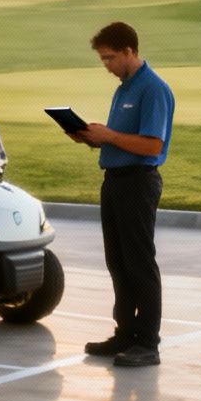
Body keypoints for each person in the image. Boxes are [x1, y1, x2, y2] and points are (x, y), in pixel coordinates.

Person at [69, 22, 174, 368]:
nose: (107, 66)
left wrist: (109, 136)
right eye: (103, 60)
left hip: (138, 183)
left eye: (110, 58)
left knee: (140, 263)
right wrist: (91, 137)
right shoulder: (123, 88)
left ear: (130, 51)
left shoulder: (152, 89)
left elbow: (152, 145)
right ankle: (125, 332)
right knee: (118, 262)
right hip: (114, 180)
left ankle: (148, 343)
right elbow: (117, 138)